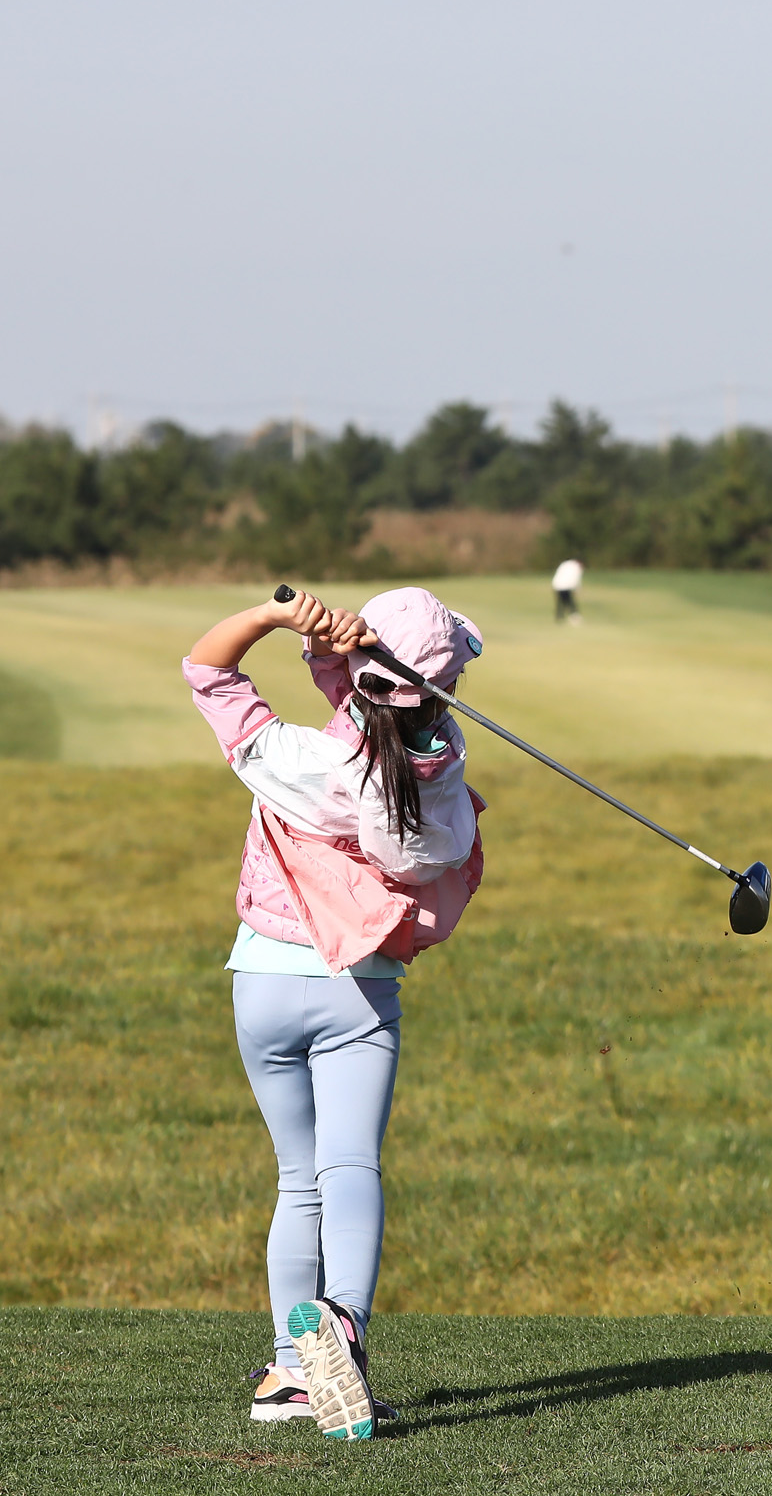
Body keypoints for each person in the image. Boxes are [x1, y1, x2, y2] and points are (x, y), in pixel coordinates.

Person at [184, 586, 487, 1441]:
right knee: (349, 1165)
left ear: (358, 677)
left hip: (263, 985)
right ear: (441, 688)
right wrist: (343, 658)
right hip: (357, 989)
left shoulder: (291, 757)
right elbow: (382, 718)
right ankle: (343, 1329)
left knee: (295, 1175)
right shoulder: (437, 791)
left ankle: (290, 1366)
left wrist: (280, 618)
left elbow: (207, 668)